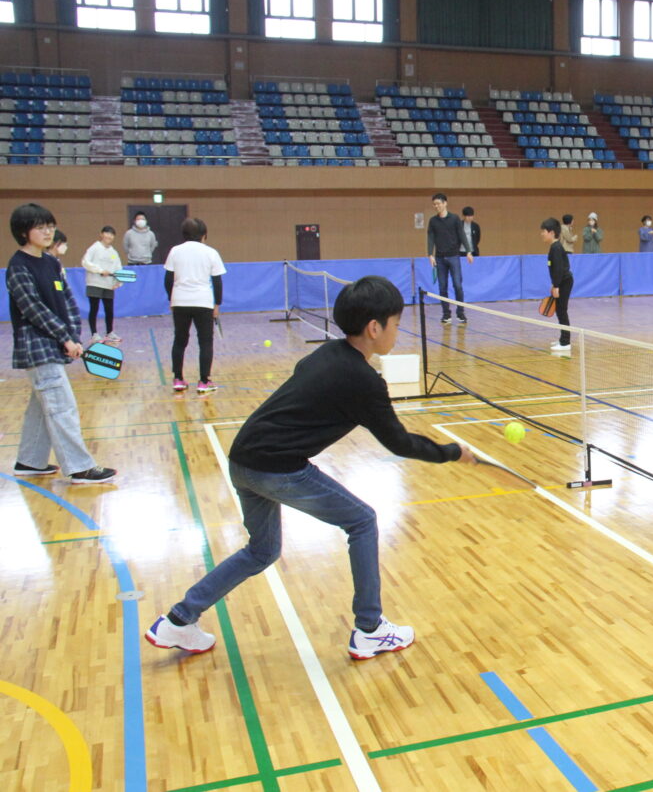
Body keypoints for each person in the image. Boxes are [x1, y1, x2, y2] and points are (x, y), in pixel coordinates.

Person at [145, 276, 477, 659]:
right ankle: (370, 628)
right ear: (375, 328)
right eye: (397, 324)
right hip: (277, 468)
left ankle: (179, 620)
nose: (398, 331)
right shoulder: (364, 381)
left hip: (243, 459)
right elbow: (399, 443)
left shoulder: (327, 353)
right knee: (362, 520)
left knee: (261, 551)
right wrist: (454, 452)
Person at [7, 203, 116, 484]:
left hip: (56, 343)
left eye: (50, 226)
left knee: (42, 406)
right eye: (40, 227)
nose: (48, 231)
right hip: (36, 346)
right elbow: (33, 309)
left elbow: (66, 300)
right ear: (23, 232)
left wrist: (73, 336)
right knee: (61, 406)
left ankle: (29, 461)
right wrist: (64, 337)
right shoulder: (18, 267)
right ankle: (80, 467)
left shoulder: (51, 262)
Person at [165, 217, 225, 393]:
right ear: (204, 235)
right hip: (203, 302)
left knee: (180, 340)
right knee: (205, 342)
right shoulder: (211, 252)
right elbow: (217, 281)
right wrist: (217, 304)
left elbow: (168, 279)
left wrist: (172, 298)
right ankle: (204, 381)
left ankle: (178, 378)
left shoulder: (175, 251)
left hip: (180, 301)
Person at [427, 192, 472, 325]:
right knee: (442, 287)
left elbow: (462, 234)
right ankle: (446, 314)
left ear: (445, 203)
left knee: (458, 285)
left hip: (454, 256)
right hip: (440, 258)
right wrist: (430, 254)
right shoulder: (433, 221)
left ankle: (460, 313)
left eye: (439, 203)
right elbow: (430, 238)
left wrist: (468, 250)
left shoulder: (454, 219)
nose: (436, 206)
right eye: (434, 204)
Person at [82, 225, 123, 343]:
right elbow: (85, 262)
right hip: (94, 283)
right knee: (94, 308)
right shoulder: (94, 248)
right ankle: (94, 334)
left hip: (108, 285)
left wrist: (118, 282)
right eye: (107, 233)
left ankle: (109, 332)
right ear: (101, 234)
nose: (109, 236)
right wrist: (99, 270)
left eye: (111, 234)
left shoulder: (113, 252)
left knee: (109, 309)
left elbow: (118, 268)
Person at [542, 218, 573, 353]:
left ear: (552, 232)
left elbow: (559, 269)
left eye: (543, 231)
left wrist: (556, 286)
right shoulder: (554, 247)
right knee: (560, 311)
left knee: (561, 311)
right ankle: (562, 339)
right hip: (561, 282)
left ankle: (565, 342)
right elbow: (555, 269)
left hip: (564, 282)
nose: (541, 234)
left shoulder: (556, 248)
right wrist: (554, 284)